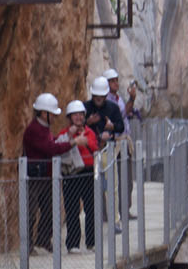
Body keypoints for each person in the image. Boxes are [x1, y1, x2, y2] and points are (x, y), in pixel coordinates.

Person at [22, 93, 75, 254]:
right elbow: (50, 148)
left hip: (44, 175)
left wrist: (65, 139)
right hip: (35, 176)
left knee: (49, 209)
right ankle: (29, 245)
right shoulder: (34, 130)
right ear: (44, 113)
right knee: (31, 211)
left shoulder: (43, 129)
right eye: (52, 114)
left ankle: (43, 240)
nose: (54, 117)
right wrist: (71, 143)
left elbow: (50, 144)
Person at [57, 100, 99, 253]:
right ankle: (73, 244)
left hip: (87, 172)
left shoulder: (90, 133)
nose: (79, 117)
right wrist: (71, 137)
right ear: (70, 117)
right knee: (72, 209)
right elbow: (59, 147)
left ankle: (91, 242)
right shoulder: (64, 134)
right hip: (71, 173)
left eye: (81, 114)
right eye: (75, 115)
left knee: (91, 208)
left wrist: (86, 142)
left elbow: (96, 148)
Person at [87, 76, 129, 221]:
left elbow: (121, 126)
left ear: (105, 95)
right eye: (96, 96)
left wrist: (111, 127)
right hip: (90, 153)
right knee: (92, 188)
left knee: (112, 187)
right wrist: (89, 122)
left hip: (108, 150)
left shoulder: (113, 108)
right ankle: (95, 219)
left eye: (101, 96)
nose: (98, 99)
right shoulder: (86, 108)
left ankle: (114, 219)